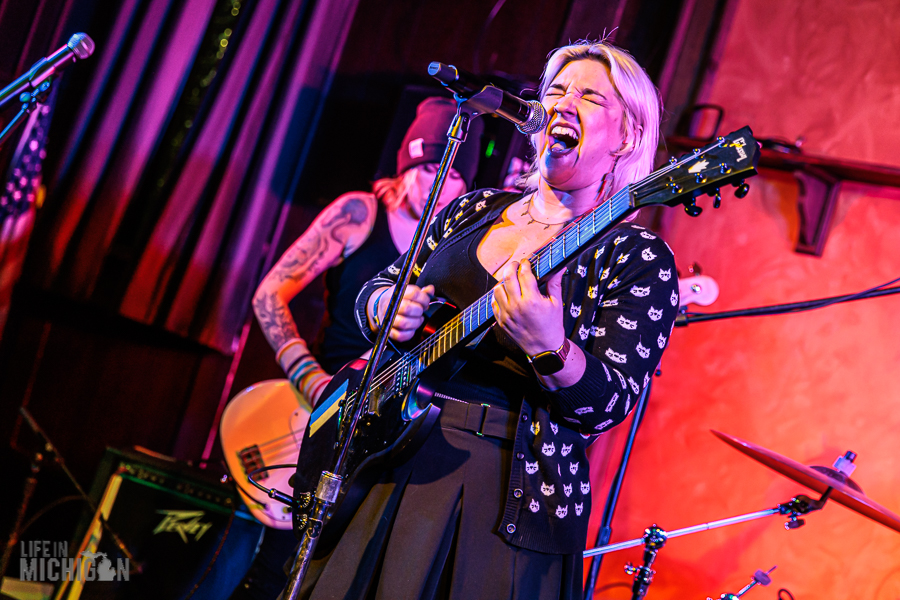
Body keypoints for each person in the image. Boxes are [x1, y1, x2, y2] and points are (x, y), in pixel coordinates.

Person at [296, 40, 681, 600]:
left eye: (590, 97)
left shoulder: (636, 256)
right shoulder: (473, 208)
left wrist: (552, 348)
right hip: (389, 450)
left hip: (504, 488)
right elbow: (377, 289)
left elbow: (610, 404)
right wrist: (387, 309)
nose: (563, 104)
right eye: (555, 91)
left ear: (627, 136)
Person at [230, 97, 483, 600]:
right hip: (319, 410)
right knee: (269, 571)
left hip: (389, 430)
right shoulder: (359, 213)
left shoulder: (455, 245)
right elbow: (268, 295)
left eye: (454, 175)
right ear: (406, 167)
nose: (440, 184)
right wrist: (311, 380)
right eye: (430, 168)